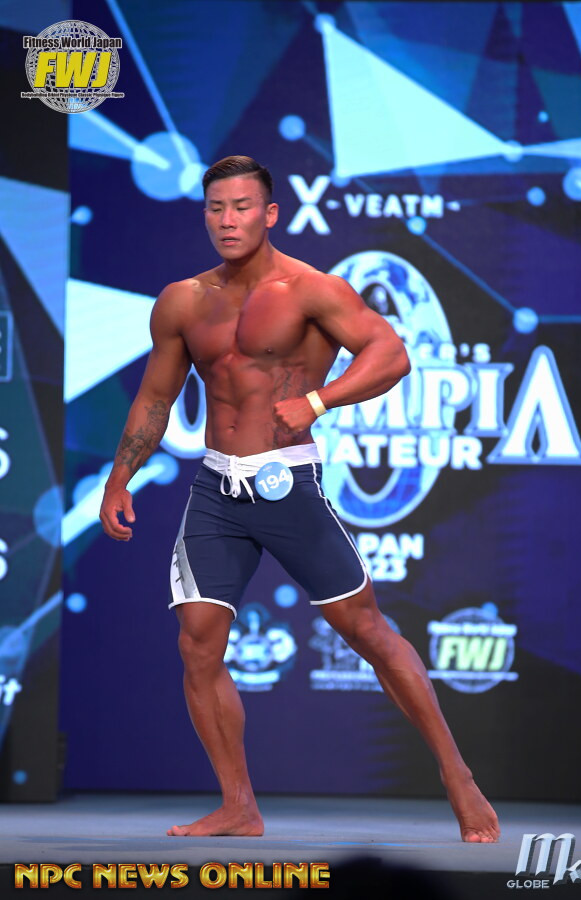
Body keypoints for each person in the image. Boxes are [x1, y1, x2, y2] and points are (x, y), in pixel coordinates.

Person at [99, 155, 500, 843]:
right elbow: (156, 397)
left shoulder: (311, 289)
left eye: (241, 207)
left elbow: (391, 354)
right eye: (216, 208)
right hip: (217, 488)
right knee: (197, 644)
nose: (228, 221)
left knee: (367, 631)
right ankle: (239, 806)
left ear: (270, 213)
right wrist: (118, 478)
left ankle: (457, 776)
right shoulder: (182, 301)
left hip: (288, 484)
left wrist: (318, 401)